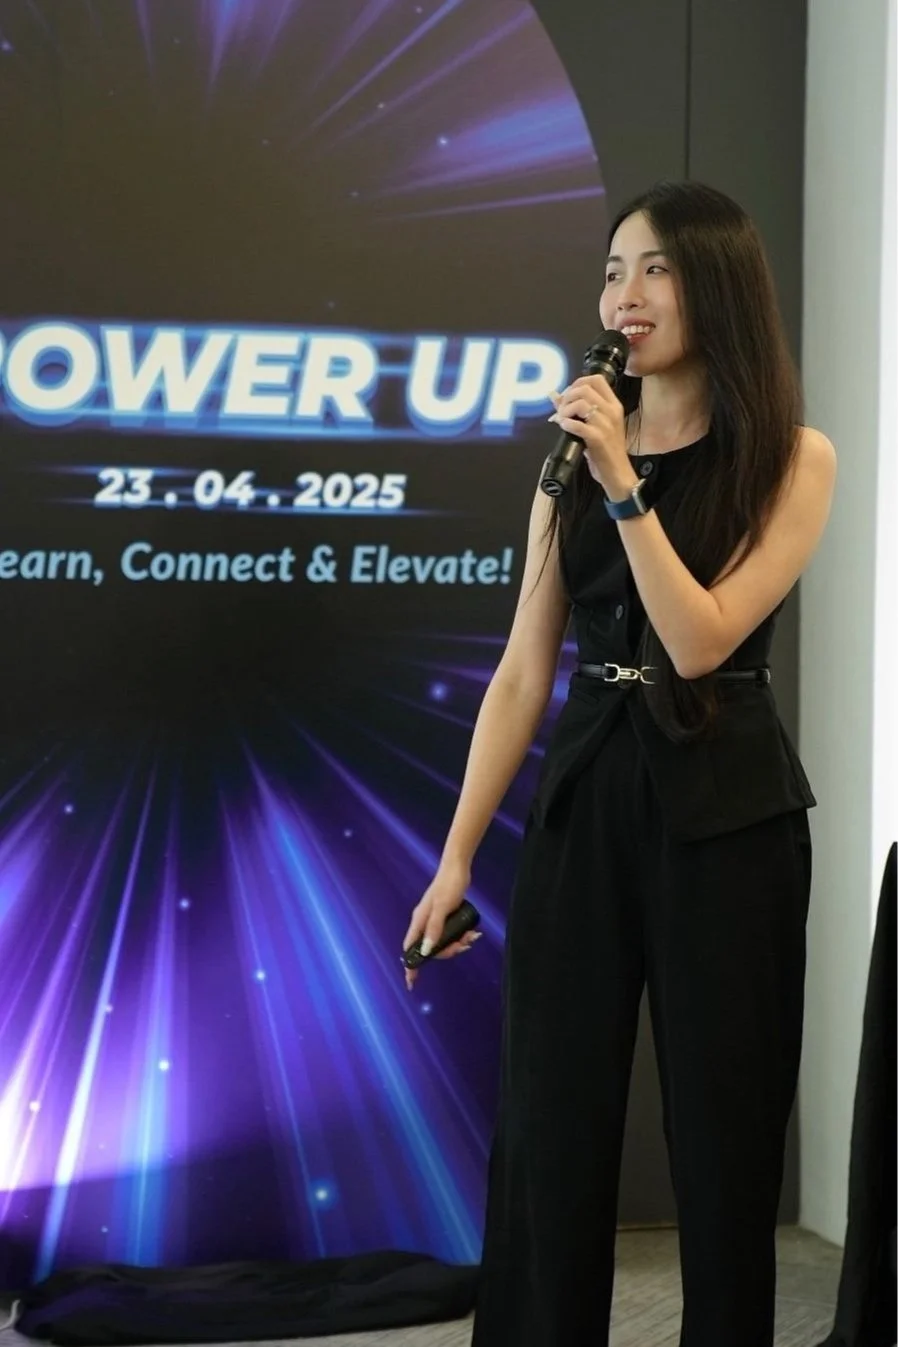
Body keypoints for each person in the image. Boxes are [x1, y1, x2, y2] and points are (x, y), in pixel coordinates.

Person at [401, 179, 837, 1347]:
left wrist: (625, 488)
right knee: (551, 1121)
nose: (623, 297)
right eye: (611, 271)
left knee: (724, 1129)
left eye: (652, 270)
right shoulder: (567, 465)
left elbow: (700, 641)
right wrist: (451, 866)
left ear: (719, 290)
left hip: (729, 809)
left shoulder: (791, 457)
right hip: (589, 793)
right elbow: (517, 676)